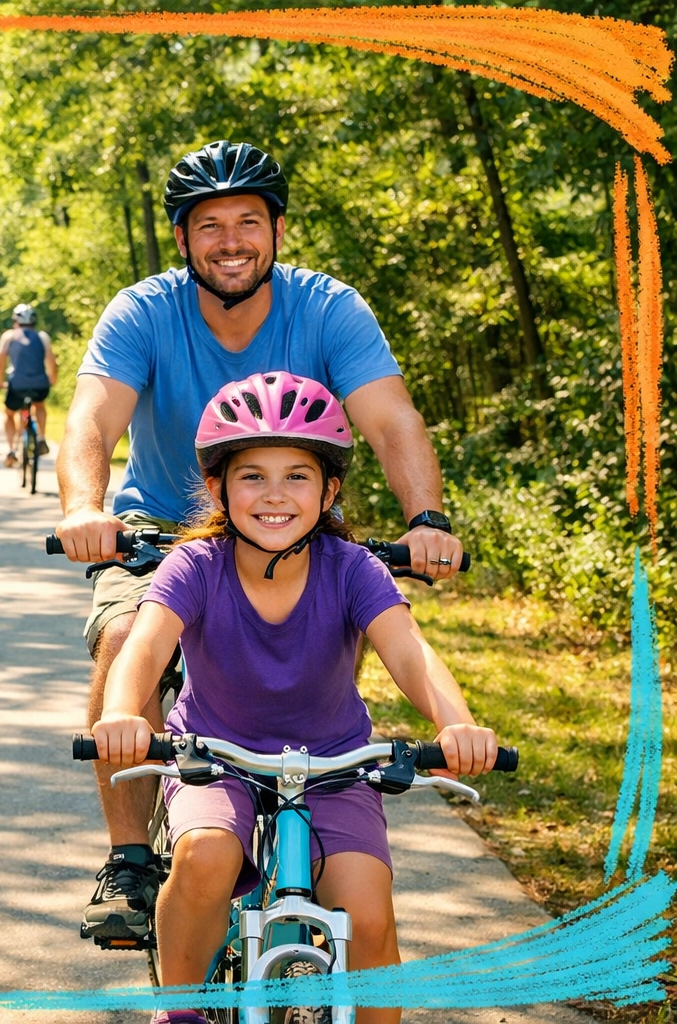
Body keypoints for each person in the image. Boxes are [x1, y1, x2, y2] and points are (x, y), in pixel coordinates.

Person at [53, 140, 466, 941]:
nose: (231, 240)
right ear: (183, 239)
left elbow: (389, 418)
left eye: (249, 220)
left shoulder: (328, 308)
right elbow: (94, 418)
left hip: (295, 529)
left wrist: (428, 520)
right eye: (210, 225)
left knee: (323, 653)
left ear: (277, 230)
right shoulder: (143, 310)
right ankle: (131, 860)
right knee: (125, 641)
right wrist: (83, 507)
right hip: (158, 534)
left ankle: (315, 827)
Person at [91, 372, 499, 1024]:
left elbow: (409, 651)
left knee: (367, 913)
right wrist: (120, 713)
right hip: (212, 752)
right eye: (252, 476)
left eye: (297, 476)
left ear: (329, 489)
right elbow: (143, 648)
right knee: (203, 858)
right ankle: (179, 1011)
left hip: (334, 762)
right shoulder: (197, 565)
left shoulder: (351, 568)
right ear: (218, 487)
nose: (274, 495)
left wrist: (459, 723)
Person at [0, 303, 57, 467]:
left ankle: (11, 450)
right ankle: (41, 438)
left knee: (9, 414)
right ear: (34, 321)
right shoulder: (43, 337)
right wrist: (52, 380)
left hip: (16, 386)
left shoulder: (9, 336)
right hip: (40, 386)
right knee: (40, 405)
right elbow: (52, 362)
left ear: (15, 320)